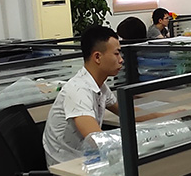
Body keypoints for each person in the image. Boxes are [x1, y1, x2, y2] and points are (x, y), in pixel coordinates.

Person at [43, 25, 171, 165]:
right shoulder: (78, 90)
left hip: (85, 157)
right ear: (97, 57)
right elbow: (97, 139)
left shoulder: (99, 86)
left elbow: (127, 113)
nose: (121, 60)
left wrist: (168, 116)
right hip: (67, 165)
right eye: (116, 54)